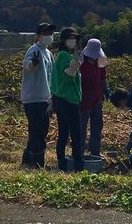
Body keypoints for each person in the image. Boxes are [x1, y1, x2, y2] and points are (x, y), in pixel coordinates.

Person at [20, 22, 55, 168]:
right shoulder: (33, 50)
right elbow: (29, 67)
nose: (49, 36)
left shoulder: (48, 53)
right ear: (39, 36)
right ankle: (37, 162)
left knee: (42, 130)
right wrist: (33, 64)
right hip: (34, 97)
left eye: (50, 33)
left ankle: (28, 160)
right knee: (36, 130)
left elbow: (52, 76)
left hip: (45, 97)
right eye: (45, 33)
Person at [50, 27, 84, 172]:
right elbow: (67, 74)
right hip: (67, 99)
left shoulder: (64, 55)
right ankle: (78, 166)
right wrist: (74, 66)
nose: (73, 41)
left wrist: (75, 64)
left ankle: (62, 164)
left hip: (61, 98)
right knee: (76, 134)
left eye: (75, 38)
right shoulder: (64, 56)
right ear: (63, 40)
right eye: (70, 38)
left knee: (63, 132)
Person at [79, 38, 111, 157]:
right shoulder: (81, 63)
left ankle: (95, 151)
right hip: (84, 99)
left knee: (97, 126)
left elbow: (103, 77)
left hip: (97, 98)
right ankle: (80, 151)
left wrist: (107, 90)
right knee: (82, 127)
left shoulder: (101, 61)